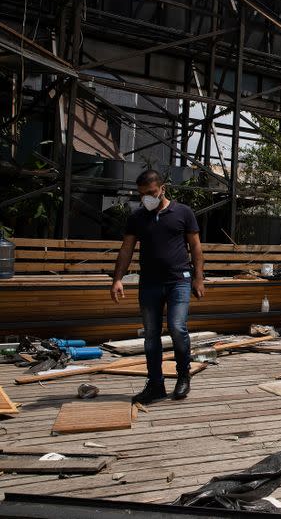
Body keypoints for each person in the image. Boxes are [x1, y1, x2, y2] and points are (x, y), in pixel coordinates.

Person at [110, 170, 205, 404]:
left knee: (177, 327)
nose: (147, 198)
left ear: (162, 188)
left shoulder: (183, 212)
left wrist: (198, 278)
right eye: (142, 195)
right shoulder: (137, 217)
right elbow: (126, 250)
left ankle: (183, 376)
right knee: (151, 335)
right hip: (150, 283)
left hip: (178, 280)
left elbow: (195, 247)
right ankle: (155, 385)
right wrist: (117, 279)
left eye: (151, 193)